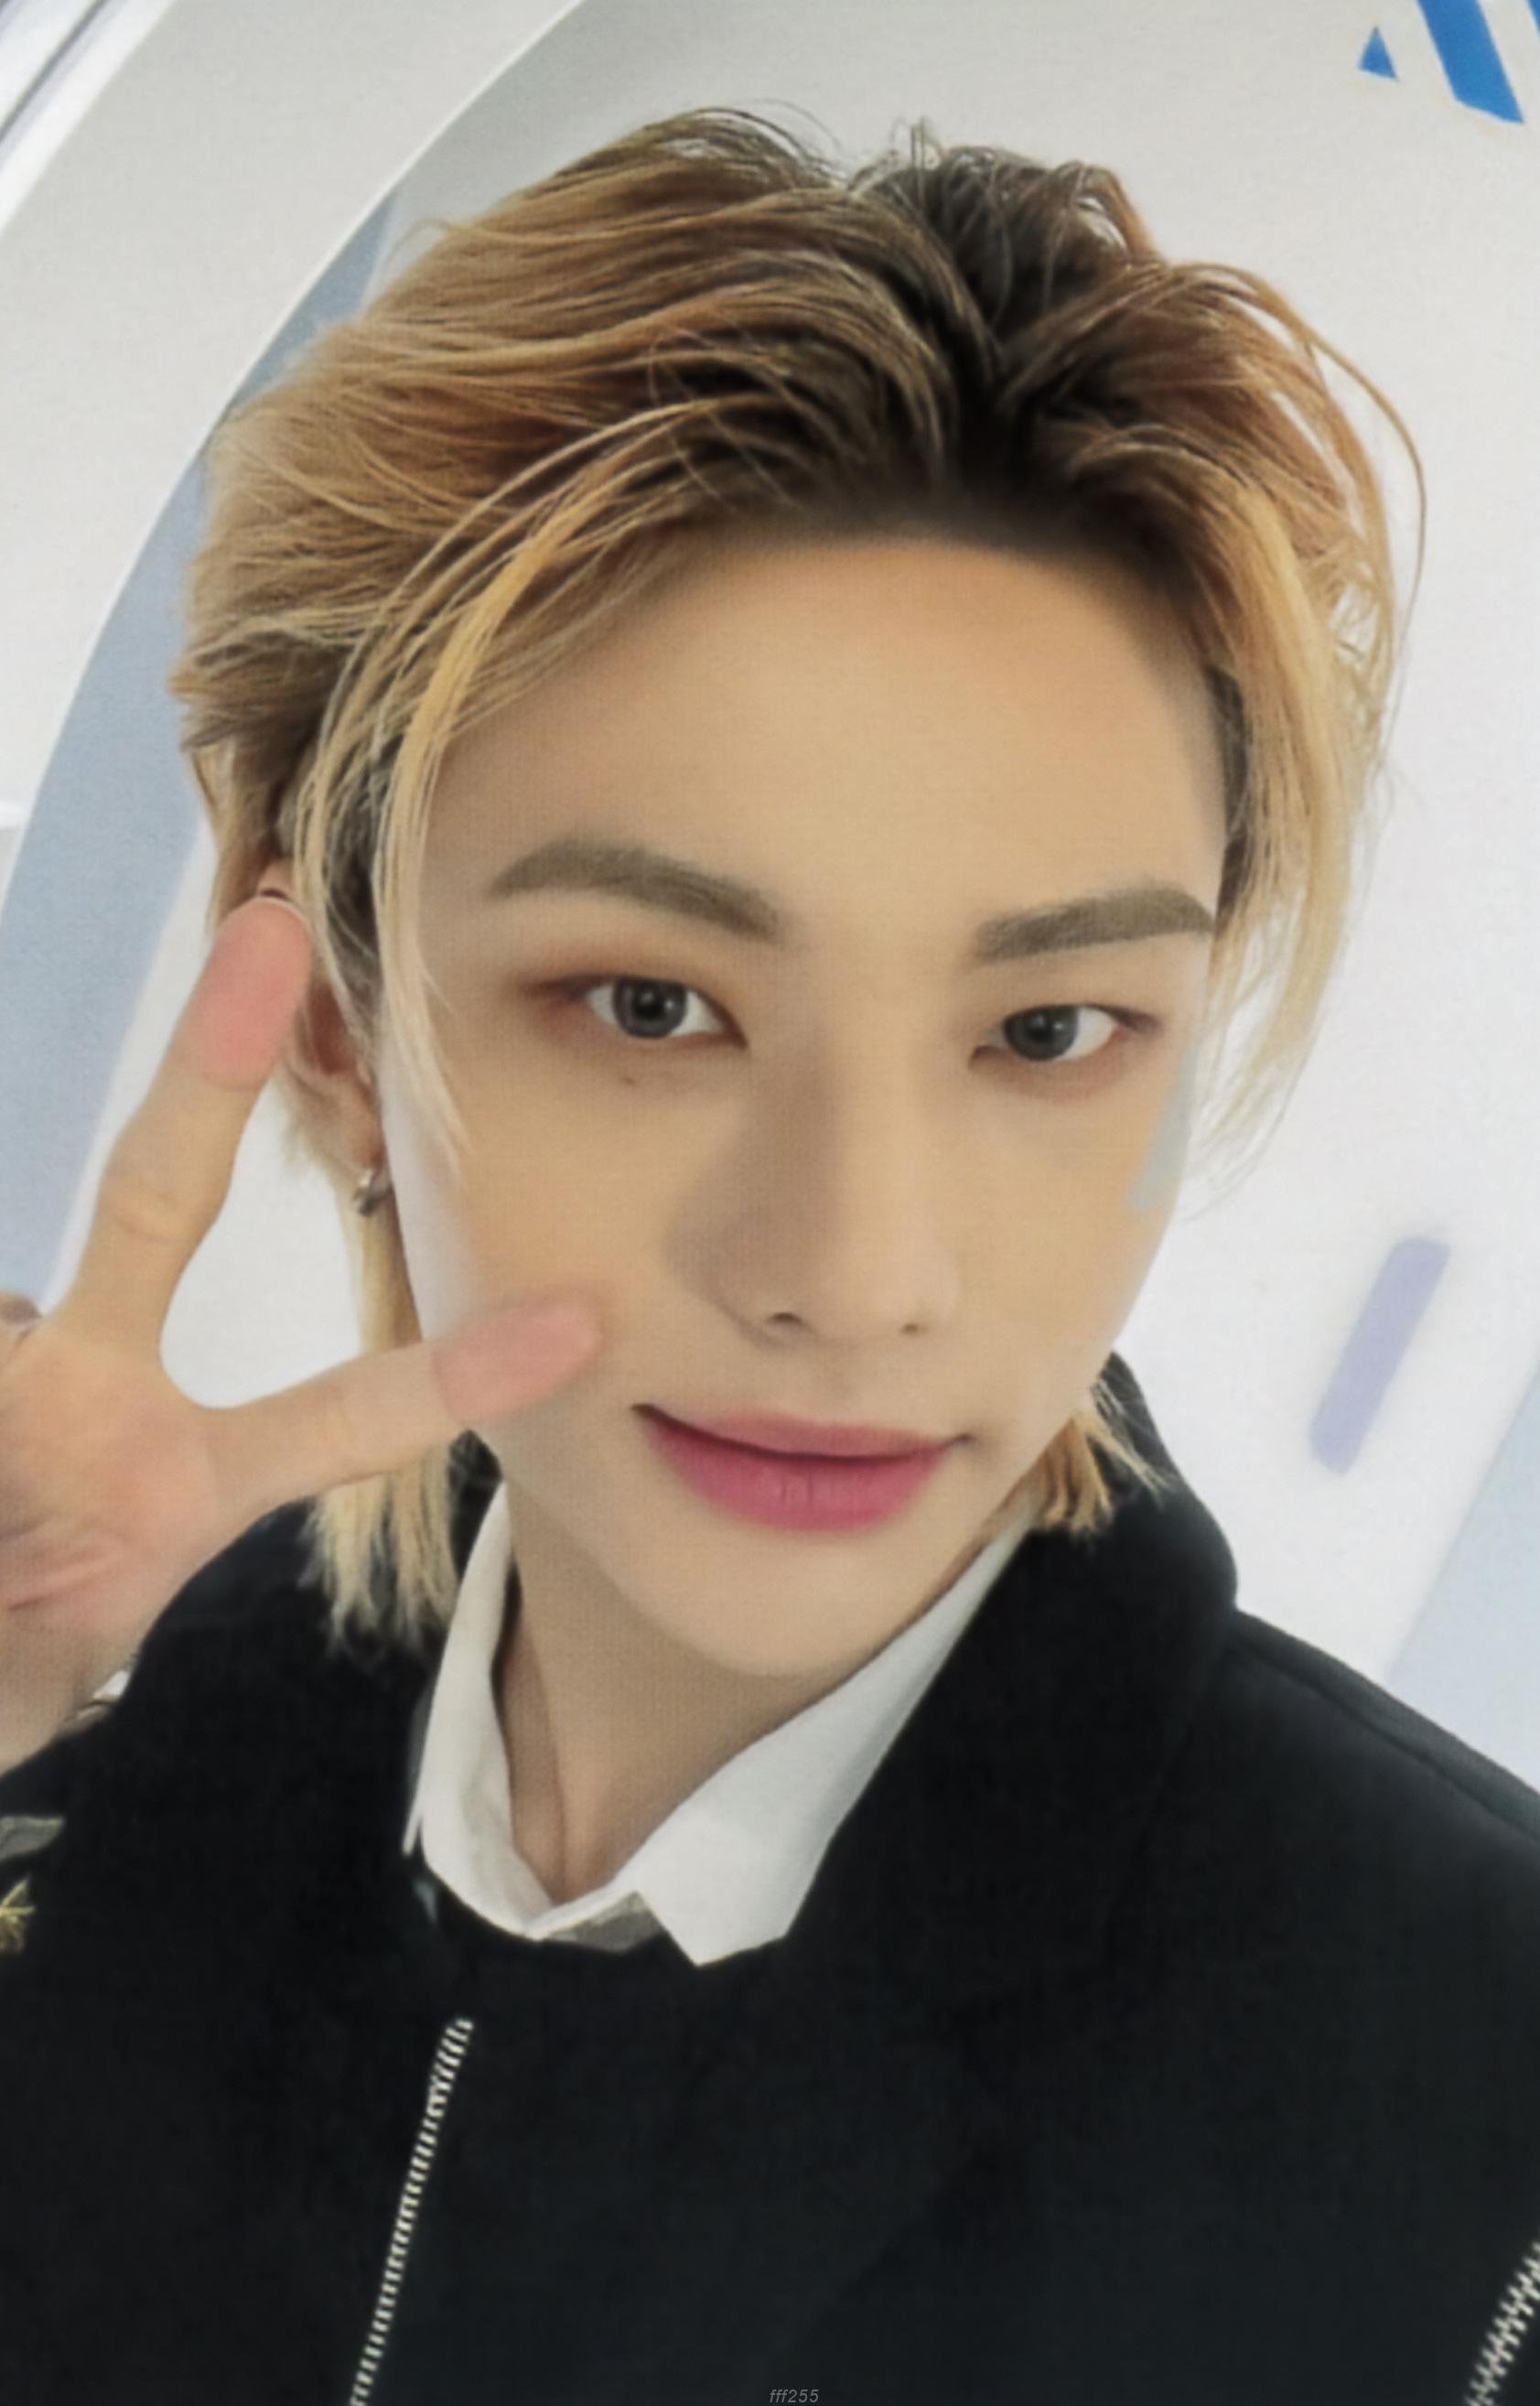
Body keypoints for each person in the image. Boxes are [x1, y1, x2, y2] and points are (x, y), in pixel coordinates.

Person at [1, 106, 1538, 2406]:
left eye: (1045, 1030)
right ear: (330, 1016)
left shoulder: (1486, 2138)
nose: (856, 1270)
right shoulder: (108, 1801)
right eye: (653, 1005)